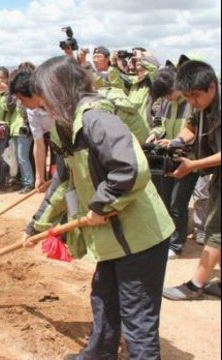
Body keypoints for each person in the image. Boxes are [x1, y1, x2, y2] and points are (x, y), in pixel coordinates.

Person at [28, 56, 174, 360]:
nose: (39, 103)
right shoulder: (67, 127)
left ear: (57, 90)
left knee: (138, 320)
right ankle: (99, 355)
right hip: (112, 237)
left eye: (42, 94)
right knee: (105, 299)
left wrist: (100, 205)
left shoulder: (96, 119)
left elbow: (130, 168)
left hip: (139, 237)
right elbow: (63, 183)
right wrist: (37, 226)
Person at [163, 60, 221, 300]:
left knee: (216, 230)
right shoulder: (201, 105)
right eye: (187, 97)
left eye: (195, 96)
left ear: (212, 87)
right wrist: (175, 143)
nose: (192, 102)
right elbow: (191, 128)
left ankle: (196, 285)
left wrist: (193, 166)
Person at [147, 67, 197, 259]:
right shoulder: (166, 103)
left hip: (188, 159)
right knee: (165, 200)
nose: (168, 98)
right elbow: (159, 123)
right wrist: (155, 134)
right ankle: (166, 237)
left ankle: (177, 244)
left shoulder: (192, 102)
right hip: (167, 158)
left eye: (169, 93)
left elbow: (195, 130)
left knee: (178, 203)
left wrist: (176, 141)